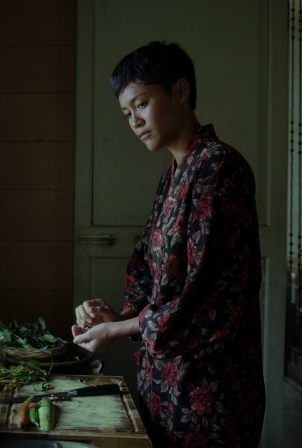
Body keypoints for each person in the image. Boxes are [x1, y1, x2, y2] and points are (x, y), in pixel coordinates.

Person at [71, 41, 266, 447]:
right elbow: (149, 272)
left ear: (180, 91)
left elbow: (208, 298)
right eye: (127, 113)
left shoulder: (218, 167)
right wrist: (118, 315)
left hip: (209, 391)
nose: (135, 122)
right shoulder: (172, 175)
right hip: (161, 383)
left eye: (141, 104)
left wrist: (119, 328)